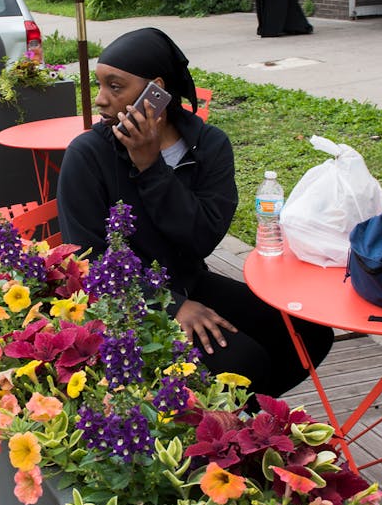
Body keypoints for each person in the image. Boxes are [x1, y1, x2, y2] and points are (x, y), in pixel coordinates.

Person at [56, 27, 333, 397]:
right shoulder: (88, 154)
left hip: (190, 278)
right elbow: (87, 258)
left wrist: (151, 168)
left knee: (308, 333)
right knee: (244, 362)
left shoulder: (208, 145)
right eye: (99, 85)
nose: (101, 100)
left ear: (155, 90)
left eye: (115, 86)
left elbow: (202, 237)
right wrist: (172, 306)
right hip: (126, 305)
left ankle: (242, 424)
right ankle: (231, 430)